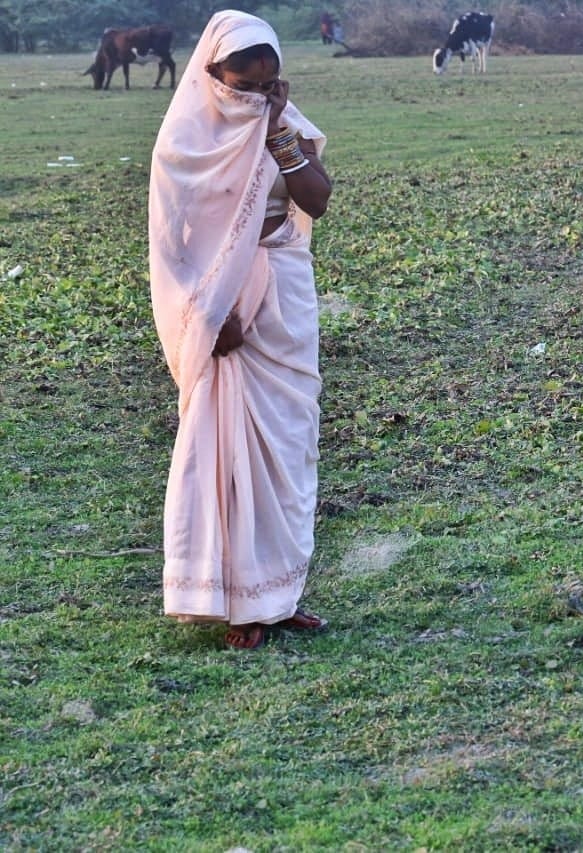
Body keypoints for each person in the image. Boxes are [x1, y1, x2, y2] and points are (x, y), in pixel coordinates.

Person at [148, 10, 333, 650]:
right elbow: (173, 248)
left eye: (267, 83)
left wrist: (277, 128)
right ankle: (233, 603)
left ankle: (277, 598)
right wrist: (207, 311)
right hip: (219, 315)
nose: (253, 95)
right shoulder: (183, 146)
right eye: (242, 82)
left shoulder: (283, 125)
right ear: (211, 72)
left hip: (283, 299)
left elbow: (316, 200)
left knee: (287, 449)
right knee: (222, 453)